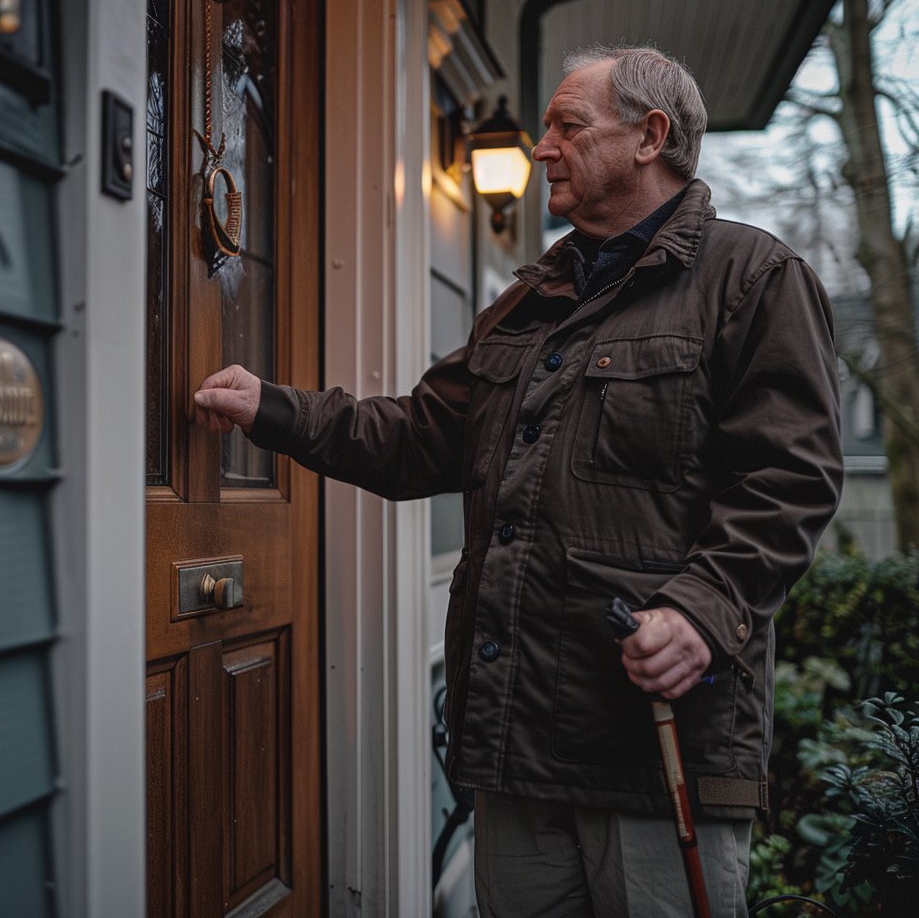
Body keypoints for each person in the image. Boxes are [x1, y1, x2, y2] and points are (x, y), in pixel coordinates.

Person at [193, 45, 843, 917]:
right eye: (545, 130)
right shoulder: (531, 300)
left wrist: (701, 608)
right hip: (514, 743)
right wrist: (273, 409)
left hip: (653, 753)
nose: (543, 148)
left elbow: (791, 475)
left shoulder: (753, 280)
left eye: (568, 127)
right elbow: (420, 437)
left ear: (650, 137)